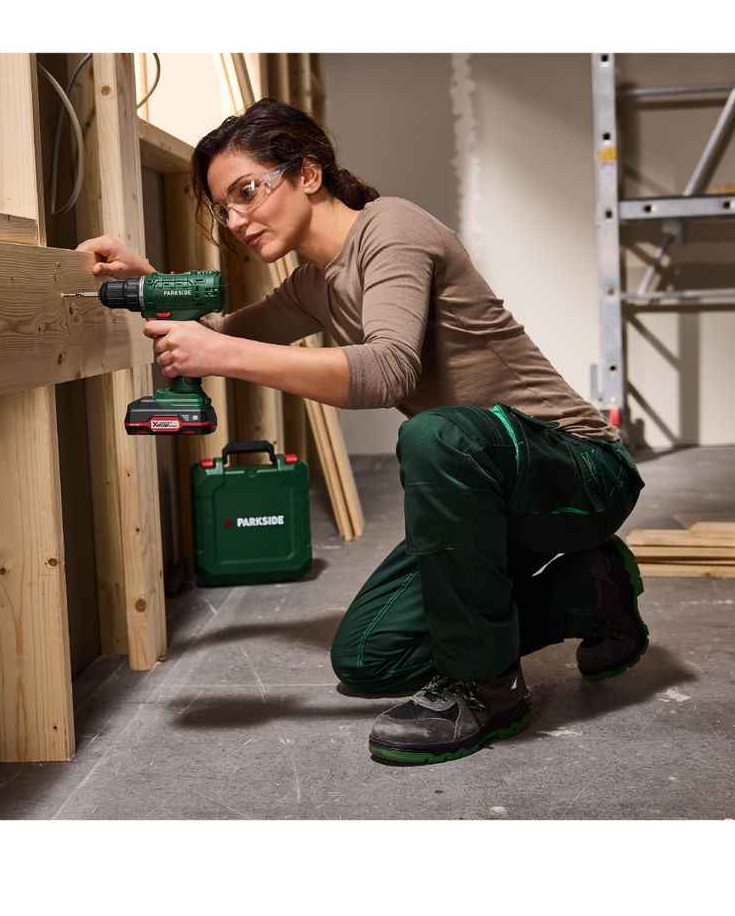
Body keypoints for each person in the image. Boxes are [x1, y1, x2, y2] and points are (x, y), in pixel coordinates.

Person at [77, 97, 648, 765]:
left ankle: (489, 691)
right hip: (495, 497)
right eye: (224, 207)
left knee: (435, 436)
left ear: (309, 173)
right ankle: (591, 588)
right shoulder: (314, 285)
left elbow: (387, 372)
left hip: (580, 471)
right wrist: (148, 284)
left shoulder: (393, 229)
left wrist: (221, 356)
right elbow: (220, 336)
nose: (236, 220)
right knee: (370, 655)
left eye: (247, 192)